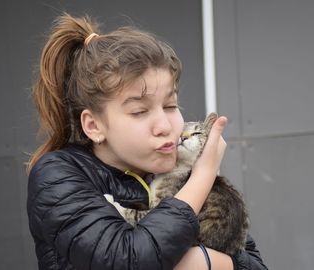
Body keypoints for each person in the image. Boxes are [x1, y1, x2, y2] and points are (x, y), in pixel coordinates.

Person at [27, 13, 268, 270]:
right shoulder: (57, 174)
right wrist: (203, 176)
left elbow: (254, 264)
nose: (165, 126)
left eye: (170, 105)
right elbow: (128, 260)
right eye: (140, 111)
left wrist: (208, 262)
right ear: (94, 125)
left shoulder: (175, 167)